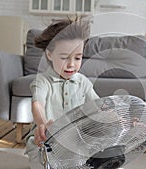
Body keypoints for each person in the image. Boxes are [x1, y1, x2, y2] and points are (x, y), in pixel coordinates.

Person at [25, 17, 99, 169]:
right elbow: (37, 103)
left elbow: (99, 106)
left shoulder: (83, 82)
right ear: (50, 54)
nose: (71, 64)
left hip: (76, 143)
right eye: (65, 57)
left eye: (77, 58)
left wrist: (121, 118)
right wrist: (42, 123)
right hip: (45, 143)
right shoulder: (43, 81)